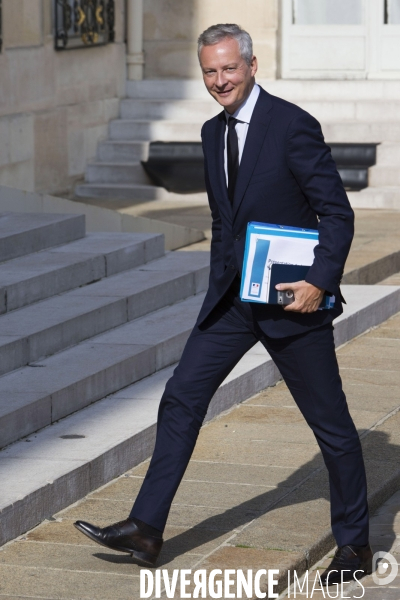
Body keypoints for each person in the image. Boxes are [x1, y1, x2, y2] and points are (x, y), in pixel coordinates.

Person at [74, 24, 372, 584]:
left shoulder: (291, 126)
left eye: (228, 69)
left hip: (292, 303)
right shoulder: (213, 133)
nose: (219, 81)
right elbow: (223, 221)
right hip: (232, 305)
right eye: (210, 71)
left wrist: (317, 282)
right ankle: (146, 527)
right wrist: (218, 286)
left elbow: (337, 213)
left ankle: (355, 546)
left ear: (252, 66)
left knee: (331, 426)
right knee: (181, 397)